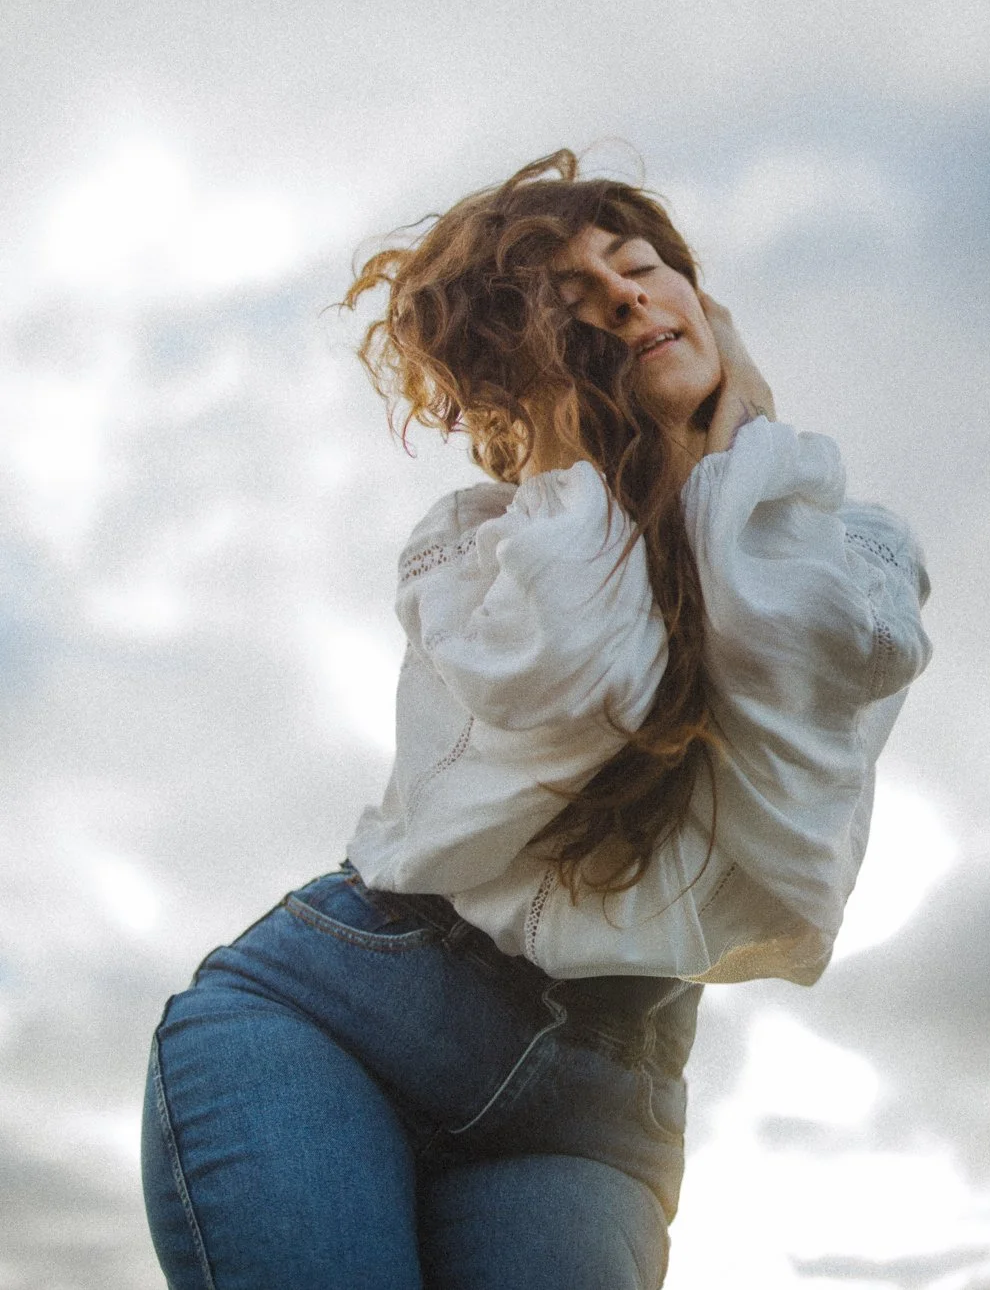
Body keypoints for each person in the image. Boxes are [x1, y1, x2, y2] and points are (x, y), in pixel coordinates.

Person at [140, 149, 932, 1289]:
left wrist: (734, 429)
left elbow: (792, 655)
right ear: (523, 381)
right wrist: (572, 435)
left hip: (597, 1099)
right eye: (566, 309)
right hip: (340, 1015)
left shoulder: (852, 548)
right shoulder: (476, 549)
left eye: (642, 266)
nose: (622, 297)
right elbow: (585, 676)